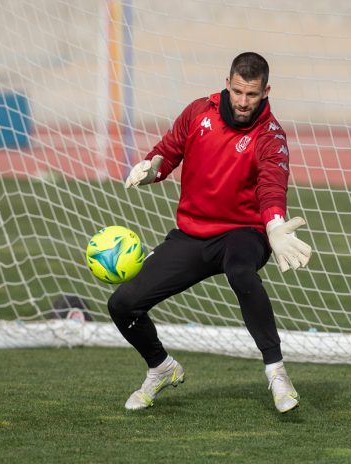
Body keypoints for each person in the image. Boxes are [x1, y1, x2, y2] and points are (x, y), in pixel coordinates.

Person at [108, 52, 312, 413]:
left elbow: (271, 186)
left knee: (240, 271)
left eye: (252, 94)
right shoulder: (198, 111)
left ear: (266, 91)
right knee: (122, 304)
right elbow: (169, 151)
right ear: (228, 83)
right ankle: (161, 367)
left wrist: (275, 226)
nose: (243, 101)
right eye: (237, 92)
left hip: (243, 233)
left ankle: (277, 373)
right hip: (192, 234)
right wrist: (152, 166)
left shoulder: (271, 136)